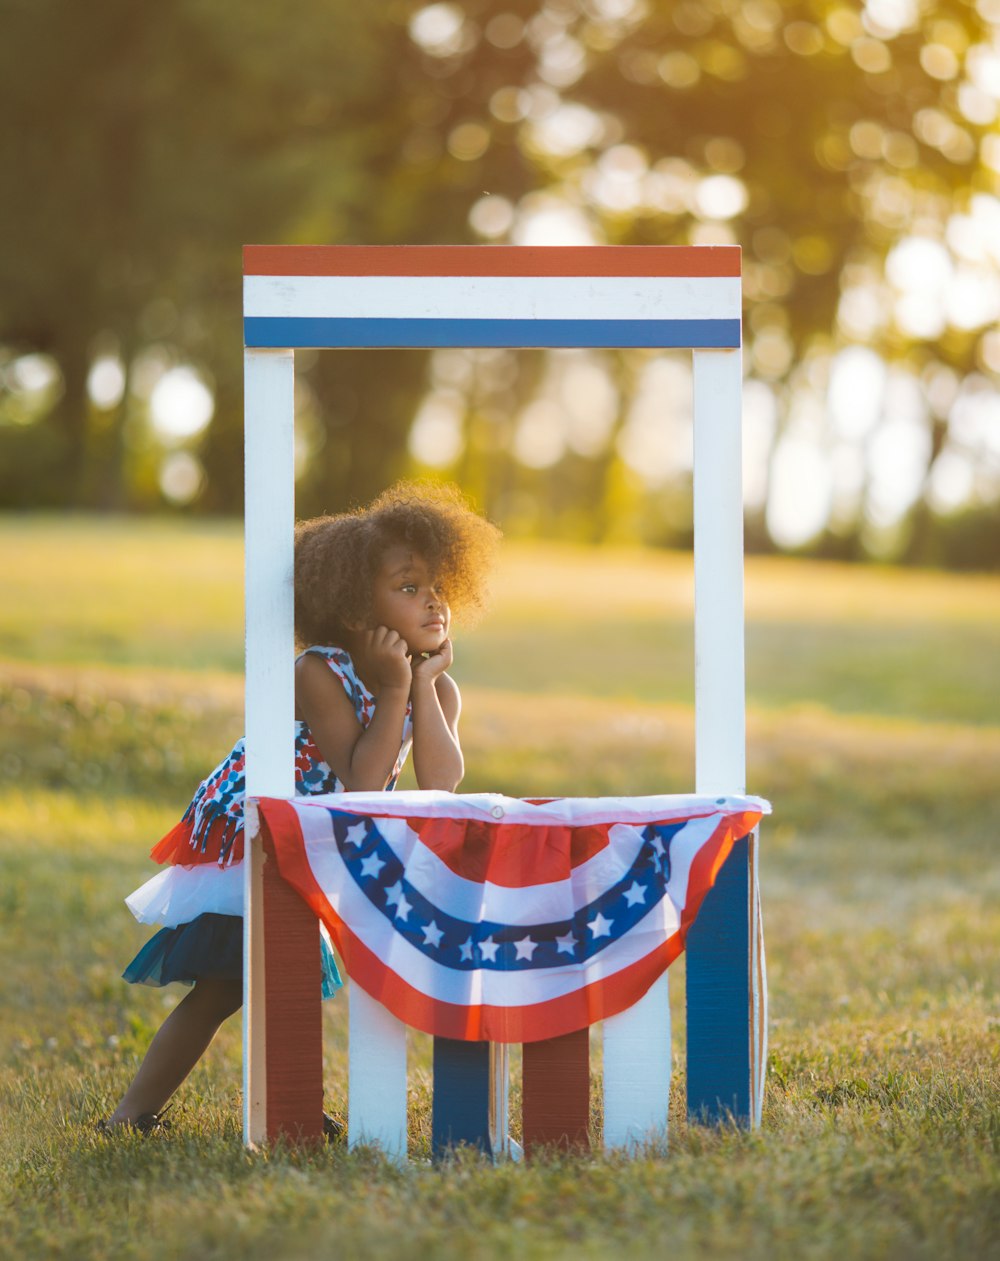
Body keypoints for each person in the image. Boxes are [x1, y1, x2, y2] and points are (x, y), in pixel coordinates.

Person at [102, 482, 500, 1133]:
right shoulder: (319, 671)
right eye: (407, 586)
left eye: (437, 585)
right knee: (230, 983)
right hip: (255, 828)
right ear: (351, 607)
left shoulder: (435, 682)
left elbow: (442, 778)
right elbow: (364, 778)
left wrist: (422, 684)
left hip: (317, 832)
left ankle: (286, 1106)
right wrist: (398, 685)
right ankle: (132, 1113)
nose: (432, 600)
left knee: (277, 976)